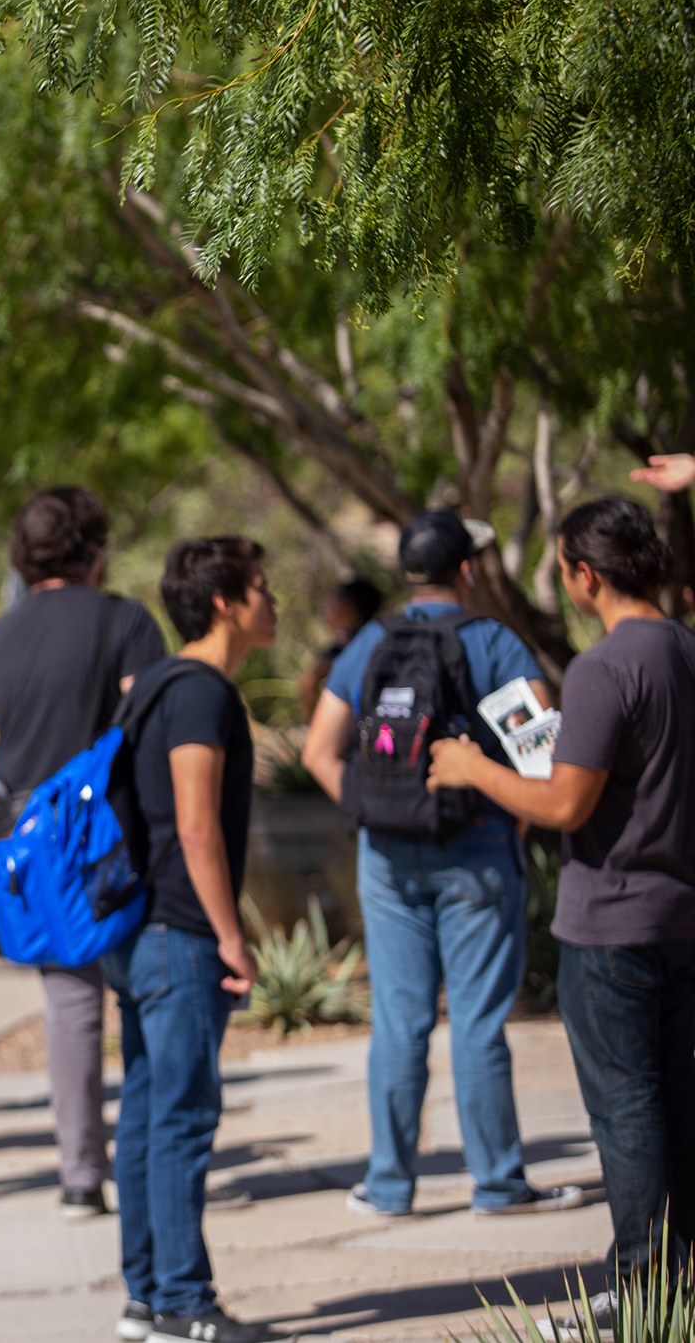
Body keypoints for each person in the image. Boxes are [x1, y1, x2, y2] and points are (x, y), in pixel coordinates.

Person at [428, 497, 695, 1337]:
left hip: (612, 923)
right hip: (683, 916)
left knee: (628, 1109)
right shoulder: (687, 650)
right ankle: (676, 1285)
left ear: (584, 575)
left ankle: (640, 1293)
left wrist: (474, 769)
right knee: (677, 1104)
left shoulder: (604, 667)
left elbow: (567, 802)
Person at [302, 511, 581, 1220]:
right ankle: (497, 1183)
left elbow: (317, 751)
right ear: (467, 570)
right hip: (478, 851)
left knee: (399, 1020)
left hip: (385, 855)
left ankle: (390, 1185)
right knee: (479, 1021)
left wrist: (367, 807)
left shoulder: (368, 642)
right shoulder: (493, 643)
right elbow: (544, 760)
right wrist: (510, 821)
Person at [0, 486, 167, 1218]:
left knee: (72, 1006)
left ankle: (81, 1173)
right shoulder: (125, 620)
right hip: (119, 841)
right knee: (147, 993)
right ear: (95, 547)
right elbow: (148, 731)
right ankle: (154, 1156)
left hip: (38, 857)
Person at [109, 536, 277, 1343]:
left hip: (141, 930)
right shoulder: (201, 692)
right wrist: (231, 934)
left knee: (147, 1114)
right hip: (179, 930)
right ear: (225, 601)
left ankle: (147, 1295)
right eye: (262, 588)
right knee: (178, 1117)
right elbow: (197, 821)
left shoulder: (151, 687)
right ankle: (184, 1300)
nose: (271, 601)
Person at [297, 577, 384, 718]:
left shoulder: (347, 644)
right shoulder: (376, 637)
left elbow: (308, 683)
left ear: (348, 606)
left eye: (334, 599)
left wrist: (314, 725)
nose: (327, 605)